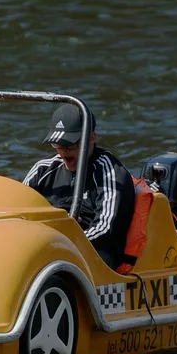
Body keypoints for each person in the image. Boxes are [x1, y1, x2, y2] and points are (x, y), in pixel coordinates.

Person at [23, 103, 136, 270]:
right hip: (49, 245)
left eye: (70, 145)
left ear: (92, 138)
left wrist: (62, 242)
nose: (63, 152)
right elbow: (18, 210)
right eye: (58, 145)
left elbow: (104, 229)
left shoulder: (110, 172)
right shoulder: (42, 169)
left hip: (96, 253)